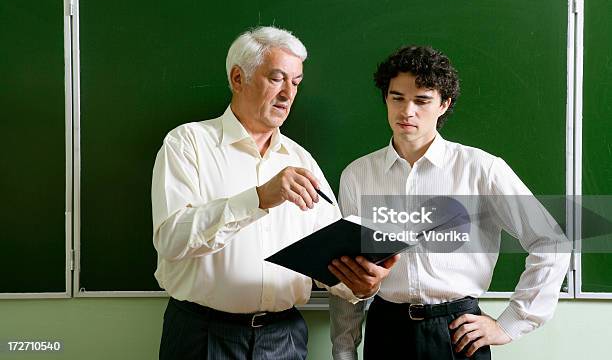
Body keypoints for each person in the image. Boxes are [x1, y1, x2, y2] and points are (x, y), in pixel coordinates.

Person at [151, 26, 395, 360]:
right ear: (238, 78)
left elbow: (332, 255)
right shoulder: (187, 144)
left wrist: (361, 285)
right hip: (203, 335)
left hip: (284, 338)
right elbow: (171, 240)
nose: (288, 94)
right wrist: (258, 198)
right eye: (277, 78)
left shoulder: (302, 160)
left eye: (296, 82)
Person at [329, 46, 571, 359]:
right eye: (397, 97)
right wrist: (344, 351)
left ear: (444, 104)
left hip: (457, 332)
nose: (407, 111)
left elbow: (552, 242)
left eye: (422, 100)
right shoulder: (357, 175)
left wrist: (510, 324)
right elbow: (349, 273)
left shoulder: (481, 169)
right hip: (386, 330)